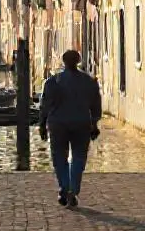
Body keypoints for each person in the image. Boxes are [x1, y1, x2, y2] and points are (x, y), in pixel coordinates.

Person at [38, 49, 101, 209]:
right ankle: (73, 189)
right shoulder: (89, 82)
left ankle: (65, 187)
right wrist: (94, 124)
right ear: (78, 61)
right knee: (79, 158)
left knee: (59, 157)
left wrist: (42, 125)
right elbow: (96, 107)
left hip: (58, 124)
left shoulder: (53, 82)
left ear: (63, 62)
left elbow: (45, 106)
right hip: (81, 123)